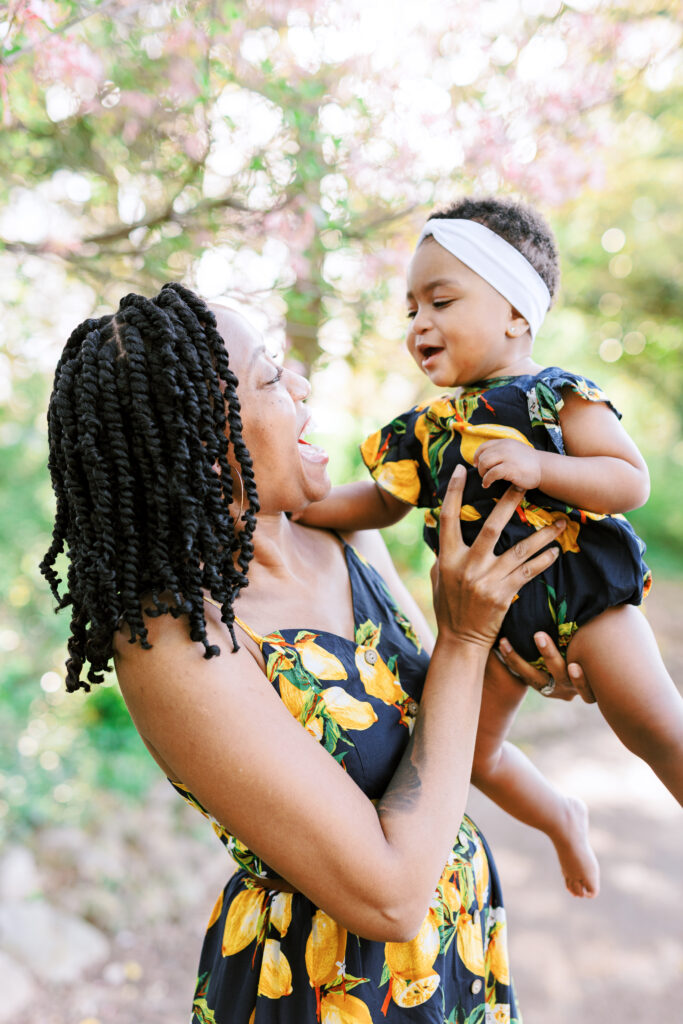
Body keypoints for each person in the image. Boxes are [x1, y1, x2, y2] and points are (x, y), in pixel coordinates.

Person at [39, 283, 590, 1024]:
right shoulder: (176, 643)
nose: (299, 384)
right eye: (269, 375)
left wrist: (512, 656)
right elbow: (388, 896)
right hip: (318, 989)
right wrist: (463, 639)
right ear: (204, 439)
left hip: (455, 948)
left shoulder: (343, 538)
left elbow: (435, 735)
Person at [299, 196, 683, 900]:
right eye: (410, 310)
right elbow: (381, 500)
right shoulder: (423, 429)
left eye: (440, 300)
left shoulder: (551, 398)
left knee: (655, 727)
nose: (419, 323)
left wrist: (544, 468)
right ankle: (562, 817)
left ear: (515, 314)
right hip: (492, 628)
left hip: (582, 600)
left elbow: (628, 479)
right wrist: (303, 504)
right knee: (473, 757)